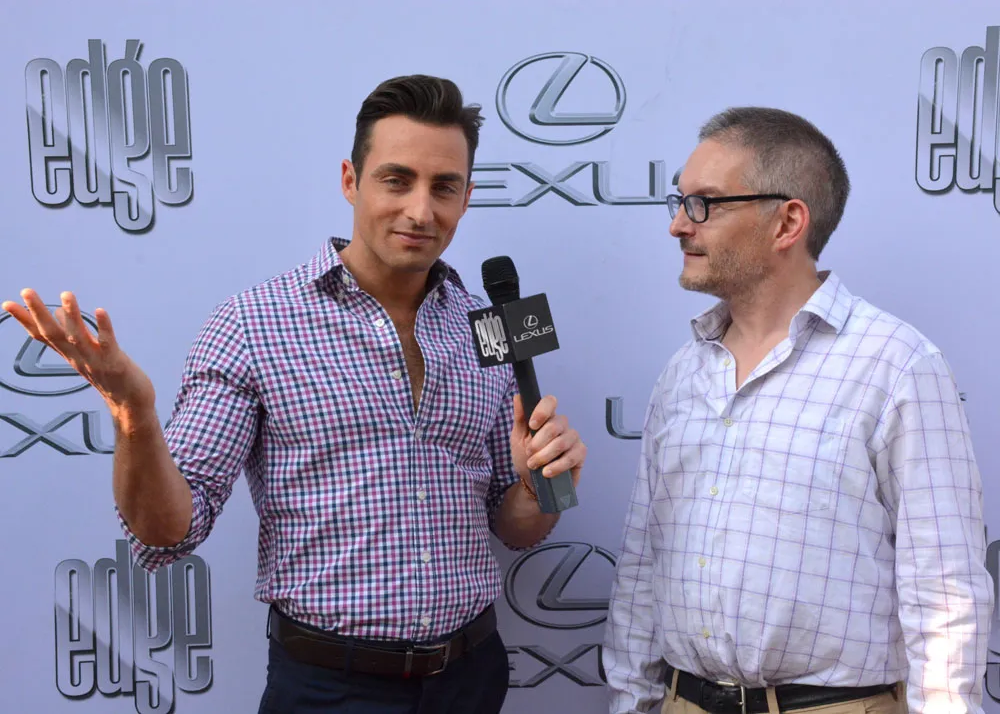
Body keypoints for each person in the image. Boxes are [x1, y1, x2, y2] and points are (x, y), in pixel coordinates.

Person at [2, 74, 587, 714]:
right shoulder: (252, 324)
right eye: (397, 180)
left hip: (471, 678)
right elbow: (168, 533)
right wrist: (134, 417)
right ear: (350, 180)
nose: (422, 211)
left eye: (443, 187)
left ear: (467, 197)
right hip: (329, 689)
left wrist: (538, 487)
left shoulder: (488, 324)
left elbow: (517, 529)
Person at [603, 106, 992, 714]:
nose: (678, 224)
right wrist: (632, 702)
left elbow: (943, 589)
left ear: (787, 222)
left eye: (704, 204)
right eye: (679, 201)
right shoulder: (683, 372)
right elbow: (642, 564)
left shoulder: (895, 365)